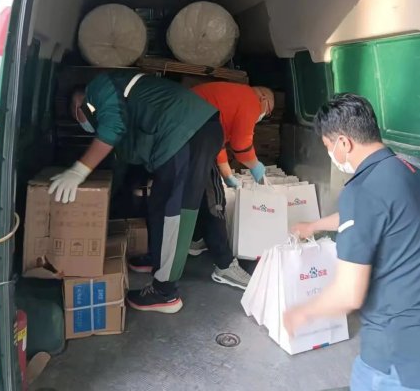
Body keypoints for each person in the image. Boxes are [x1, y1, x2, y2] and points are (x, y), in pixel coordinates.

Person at [48, 71, 223, 314]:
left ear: (77, 102)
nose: (82, 123)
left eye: (75, 115)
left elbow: (113, 128)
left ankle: (165, 293)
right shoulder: (123, 110)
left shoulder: (98, 87)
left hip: (186, 131)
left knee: (173, 211)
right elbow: (124, 157)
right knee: (160, 203)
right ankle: (157, 258)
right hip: (183, 133)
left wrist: (79, 171)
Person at [285, 93, 420, 391]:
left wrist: (301, 312)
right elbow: (373, 216)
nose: (330, 153)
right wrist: (314, 226)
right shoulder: (406, 168)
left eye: (328, 146)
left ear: (344, 143)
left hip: (393, 353)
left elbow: (348, 294)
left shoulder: (362, 190)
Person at [189, 82, 274, 288]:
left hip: (188, 133)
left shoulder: (231, 98)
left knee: (199, 193)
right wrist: (256, 166)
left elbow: (217, 142)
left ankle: (197, 239)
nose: (263, 116)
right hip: (193, 136)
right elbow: (241, 146)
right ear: (264, 99)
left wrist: (227, 174)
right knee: (215, 201)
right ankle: (225, 266)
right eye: (268, 111)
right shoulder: (250, 100)